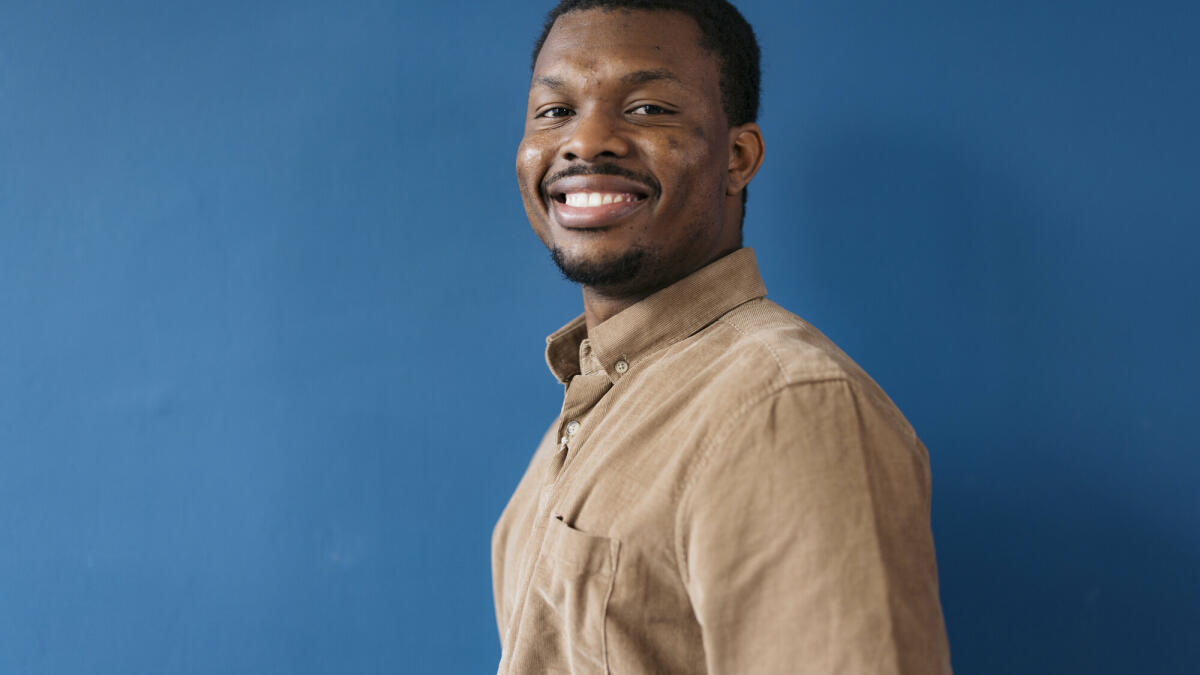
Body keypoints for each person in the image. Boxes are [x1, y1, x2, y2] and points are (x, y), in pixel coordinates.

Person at [491, 1, 953, 672]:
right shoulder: (590, 406)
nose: (586, 140)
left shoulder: (784, 404)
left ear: (737, 157)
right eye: (555, 111)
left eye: (648, 108)